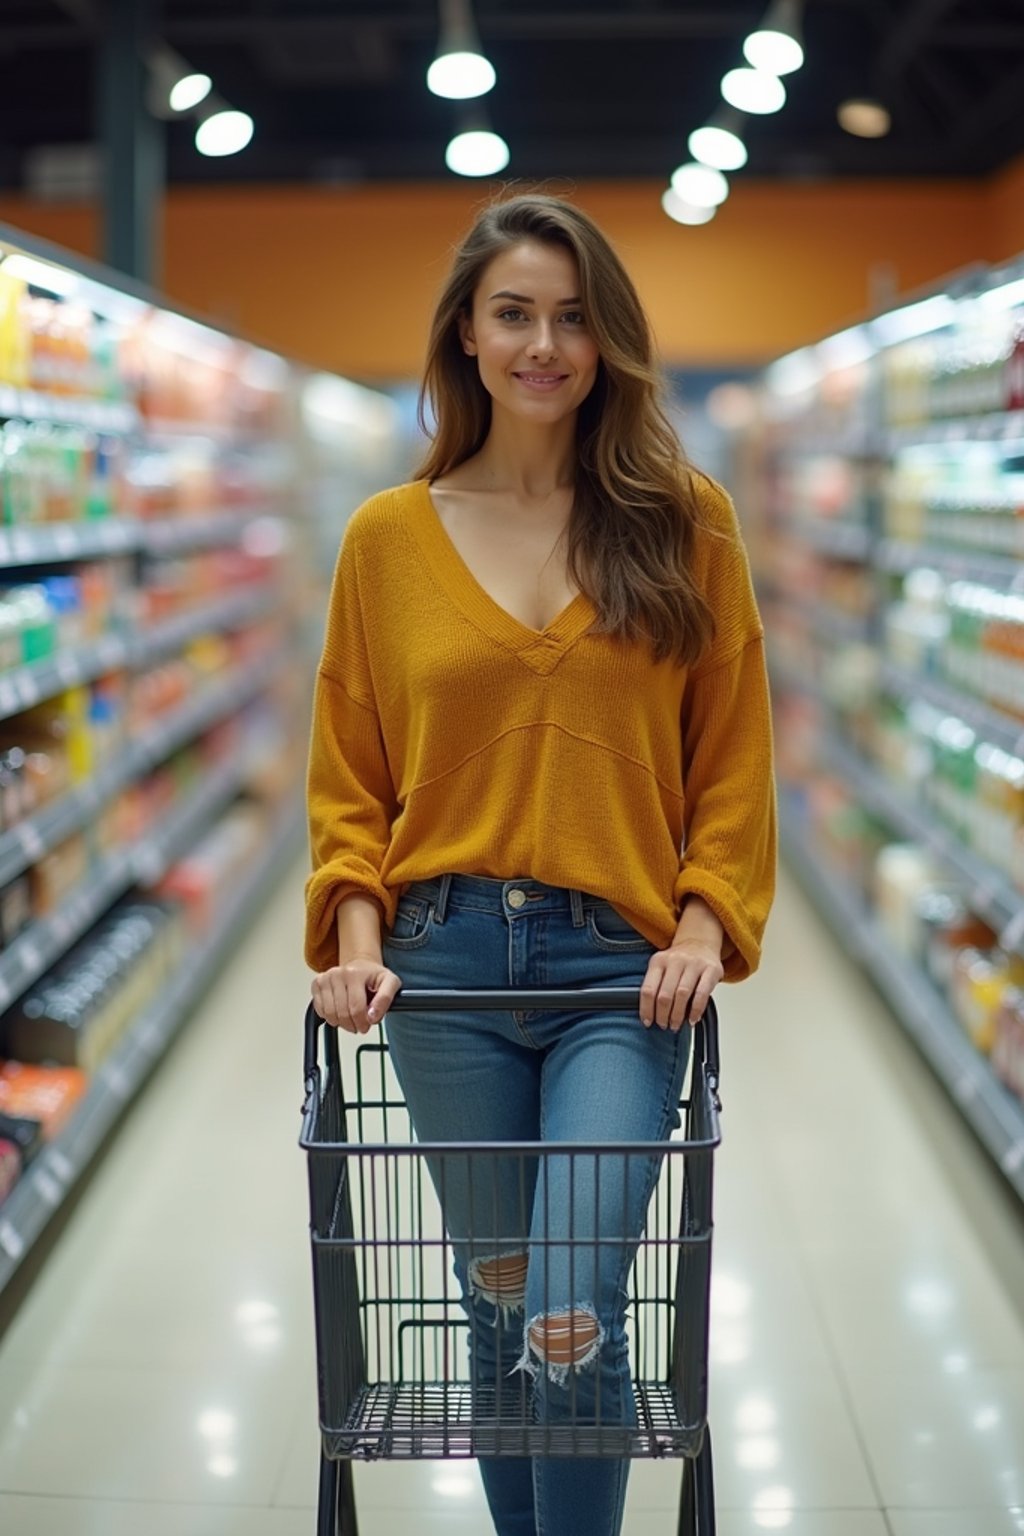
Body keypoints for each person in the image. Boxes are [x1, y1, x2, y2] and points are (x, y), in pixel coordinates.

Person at [304, 192, 776, 1536]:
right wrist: (354, 940)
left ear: (609, 340)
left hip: (621, 977)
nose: (544, 343)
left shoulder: (688, 523)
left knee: (571, 1302)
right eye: (514, 312)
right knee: (495, 1292)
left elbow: (734, 761)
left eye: (573, 317)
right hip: (441, 966)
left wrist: (701, 920)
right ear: (465, 330)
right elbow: (350, 775)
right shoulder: (385, 541)